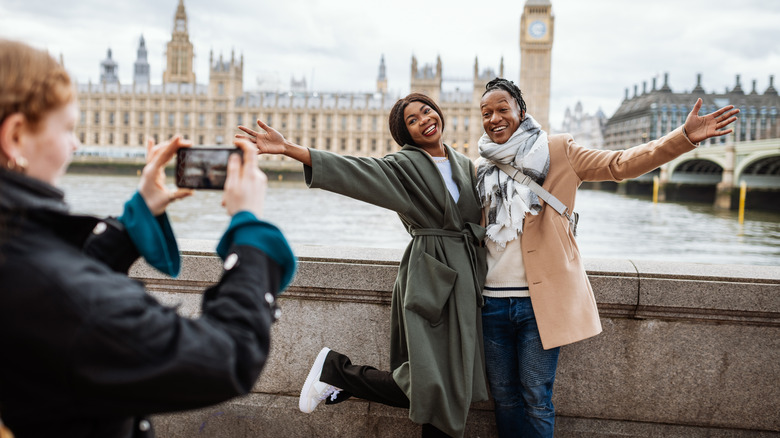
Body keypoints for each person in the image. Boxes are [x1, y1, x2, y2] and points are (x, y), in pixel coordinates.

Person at [0, 39, 296, 438]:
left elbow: (54, 278)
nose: (77, 143)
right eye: (69, 128)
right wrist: (250, 229)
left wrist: (135, 219)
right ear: (16, 136)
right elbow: (228, 355)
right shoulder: (53, 290)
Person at [474, 77, 739, 437]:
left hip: (541, 304)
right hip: (492, 303)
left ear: (521, 110)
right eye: (486, 112)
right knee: (503, 398)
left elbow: (621, 164)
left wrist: (684, 137)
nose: (494, 118)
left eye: (502, 108)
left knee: (537, 398)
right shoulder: (481, 167)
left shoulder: (558, 151)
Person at [237, 93, 487, 438]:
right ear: (405, 134)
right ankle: (337, 372)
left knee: (453, 381)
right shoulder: (404, 166)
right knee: (432, 382)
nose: (424, 120)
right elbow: (354, 171)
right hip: (432, 275)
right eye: (412, 120)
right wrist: (290, 149)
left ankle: (337, 375)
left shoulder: (465, 164)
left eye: (426, 111)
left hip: (466, 281)